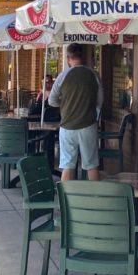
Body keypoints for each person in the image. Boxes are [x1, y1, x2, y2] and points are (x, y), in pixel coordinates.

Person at [48, 44, 103, 181]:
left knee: (68, 165)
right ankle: (97, 199)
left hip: (67, 127)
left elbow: (51, 100)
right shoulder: (93, 75)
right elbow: (100, 101)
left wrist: (65, 104)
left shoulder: (63, 76)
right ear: (83, 57)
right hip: (88, 124)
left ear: (68, 58)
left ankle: (66, 199)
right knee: (91, 165)